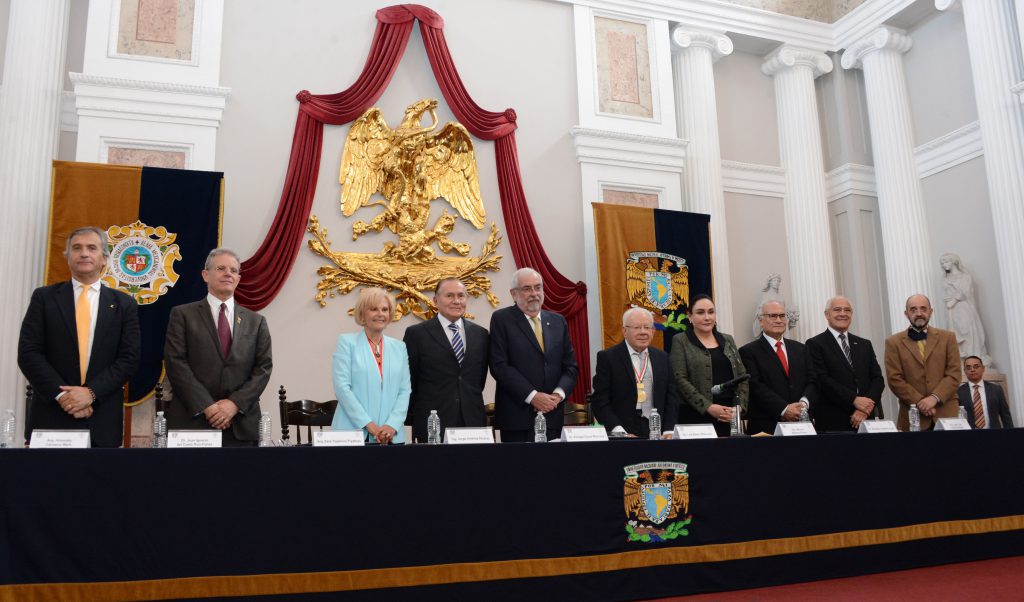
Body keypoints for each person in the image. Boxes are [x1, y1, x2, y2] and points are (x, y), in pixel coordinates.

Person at [18, 226, 140, 448]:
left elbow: (128, 359)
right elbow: (29, 353)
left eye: (91, 248)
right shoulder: (44, 298)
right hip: (51, 416)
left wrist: (91, 393)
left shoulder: (124, 304)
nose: (84, 253)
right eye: (77, 248)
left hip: (102, 419)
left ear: (104, 259)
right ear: (68, 257)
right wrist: (63, 397)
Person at [164, 248, 273, 447]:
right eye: (221, 268)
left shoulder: (256, 322)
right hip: (193, 421)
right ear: (205, 275)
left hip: (241, 424)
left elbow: (263, 369)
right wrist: (208, 406)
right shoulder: (182, 315)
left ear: (238, 278)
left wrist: (234, 404)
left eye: (233, 270)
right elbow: (176, 363)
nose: (228, 274)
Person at [489, 267, 578, 442]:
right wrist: (533, 396)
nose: (534, 293)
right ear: (513, 294)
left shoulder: (558, 321)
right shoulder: (501, 319)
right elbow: (499, 366)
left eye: (538, 287)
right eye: (527, 288)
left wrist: (558, 395)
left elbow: (571, 367)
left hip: (552, 414)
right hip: (517, 418)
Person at [404, 278, 489, 442]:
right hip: (432, 421)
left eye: (461, 296)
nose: (456, 301)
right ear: (436, 300)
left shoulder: (481, 334)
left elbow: (479, 379)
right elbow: (410, 380)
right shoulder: (417, 334)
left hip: (472, 421)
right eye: (449, 295)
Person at [332, 287, 411, 444]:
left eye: (385, 309)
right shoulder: (347, 343)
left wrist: (391, 426)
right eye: (374, 309)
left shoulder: (399, 347)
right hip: (352, 434)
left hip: (391, 437)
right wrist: (371, 427)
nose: (380, 314)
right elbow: (342, 389)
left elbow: (404, 391)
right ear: (362, 314)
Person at [591, 307, 680, 438]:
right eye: (637, 328)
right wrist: (618, 431)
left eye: (647, 327)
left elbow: (672, 397)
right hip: (623, 431)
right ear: (624, 331)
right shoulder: (608, 358)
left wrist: (668, 430)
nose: (643, 332)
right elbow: (600, 400)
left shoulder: (662, 357)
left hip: (657, 430)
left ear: (653, 331)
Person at [669, 294, 748, 437]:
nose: (707, 317)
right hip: (695, 416)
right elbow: (679, 379)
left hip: (729, 416)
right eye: (700, 312)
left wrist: (739, 408)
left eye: (711, 312)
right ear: (690, 316)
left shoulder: (728, 339)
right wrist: (708, 407)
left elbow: (743, 376)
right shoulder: (680, 340)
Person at [806, 296, 884, 432]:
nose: (843, 314)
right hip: (834, 422)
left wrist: (865, 408)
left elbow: (878, 378)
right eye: (837, 310)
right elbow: (822, 379)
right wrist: (854, 400)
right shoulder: (815, 344)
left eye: (847, 310)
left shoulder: (864, 344)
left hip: (867, 420)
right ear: (827, 314)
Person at [884, 294, 961, 431]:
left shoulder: (948, 337)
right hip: (913, 416)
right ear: (906, 314)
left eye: (923, 309)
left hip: (947, 414)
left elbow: (954, 374)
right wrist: (920, 402)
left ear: (931, 311)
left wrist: (934, 398)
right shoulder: (893, 342)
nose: (919, 313)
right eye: (913, 310)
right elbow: (894, 379)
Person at [739, 300, 817, 435]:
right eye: (773, 316)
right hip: (767, 426)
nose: (779, 320)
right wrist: (784, 409)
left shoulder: (801, 349)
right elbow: (755, 386)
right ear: (761, 320)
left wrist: (803, 404)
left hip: (801, 425)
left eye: (782, 316)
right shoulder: (748, 351)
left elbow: (813, 380)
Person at [940, 253, 991, 366]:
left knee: (966, 331)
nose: (944, 265)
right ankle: (961, 359)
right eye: (942, 263)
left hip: (962, 308)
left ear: (954, 262)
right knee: (953, 333)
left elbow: (965, 291)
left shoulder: (964, 276)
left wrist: (953, 300)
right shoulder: (945, 278)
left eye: (946, 262)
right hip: (950, 311)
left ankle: (973, 357)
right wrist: (948, 300)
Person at [957, 355, 1013, 429]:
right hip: (969, 436)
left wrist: (1010, 435)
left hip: (994, 434)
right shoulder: (959, 392)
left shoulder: (996, 389)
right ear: (964, 371)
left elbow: (1005, 415)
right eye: (968, 367)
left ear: (983, 369)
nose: (972, 370)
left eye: (976, 366)